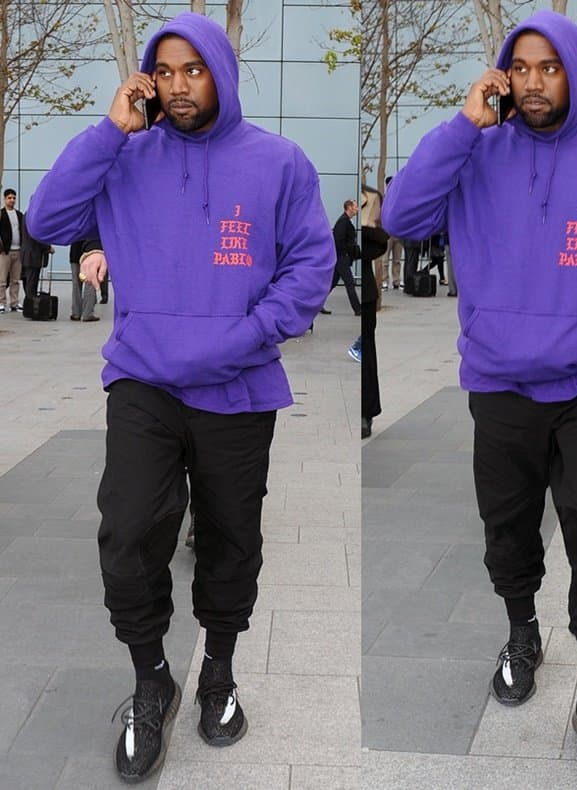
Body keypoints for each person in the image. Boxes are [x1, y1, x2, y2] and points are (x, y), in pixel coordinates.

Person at [27, 12, 334, 784]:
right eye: (163, 71)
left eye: (193, 69)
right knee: (128, 536)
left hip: (238, 386)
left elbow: (307, 266)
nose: (177, 84)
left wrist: (247, 334)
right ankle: (150, 678)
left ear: (222, 73)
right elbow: (48, 220)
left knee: (232, 538)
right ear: (147, 81)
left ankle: (220, 671)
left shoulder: (279, 162)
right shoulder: (125, 156)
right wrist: (109, 129)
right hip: (145, 380)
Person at [382, 10, 577, 783]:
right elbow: (405, 217)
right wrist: (462, 124)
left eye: (551, 66)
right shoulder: (475, 153)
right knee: (508, 528)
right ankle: (523, 634)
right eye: (523, 67)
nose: (535, 81)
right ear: (502, 76)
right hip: (501, 382)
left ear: (573, 72)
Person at [361, 185, 387, 439]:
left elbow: (381, 242)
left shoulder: (371, 196)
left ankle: (366, 412)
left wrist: (365, 227)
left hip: (366, 291)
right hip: (352, 288)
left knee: (367, 352)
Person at [323, 199, 361, 316]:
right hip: (341, 258)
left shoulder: (346, 221)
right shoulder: (343, 222)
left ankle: (317, 303)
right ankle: (358, 309)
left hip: (341, 257)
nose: (357, 209)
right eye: (355, 206)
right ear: (349, 207)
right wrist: (348, 252)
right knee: (349, 283)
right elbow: (338, 240)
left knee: (332, 283)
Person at [0, 189, 24, 313]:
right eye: (9, 198)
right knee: (2, 280)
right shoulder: (1, 214)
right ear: (4, 199)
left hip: (18, 251)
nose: (12, 200)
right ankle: (1, 302)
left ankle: (14, 303)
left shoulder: (19, 215)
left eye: (14, 198)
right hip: (5, 252)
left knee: (15, 280)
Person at [20, 216, 53, 300]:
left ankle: (29, 303)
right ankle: (31, 305)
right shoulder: (34, 217)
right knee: (32, 282)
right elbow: (36, 236)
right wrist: (47, 248)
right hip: (33, 254)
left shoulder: (27, 215)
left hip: (27, 254)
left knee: (28, 281)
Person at [68, 239, 100, 322]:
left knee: (76, 286)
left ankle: (76, 313)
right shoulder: (90, 227)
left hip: (75, 255)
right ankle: (87, 313)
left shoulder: (75, 226)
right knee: (90, 284)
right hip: (88, 255)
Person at [382, 176, 403, 289]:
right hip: (386, 233)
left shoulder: (398, 198)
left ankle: (396, 281)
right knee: (385, 259)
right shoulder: (384, 198)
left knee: (397, 259)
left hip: (398, 233)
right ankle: (384, 280)